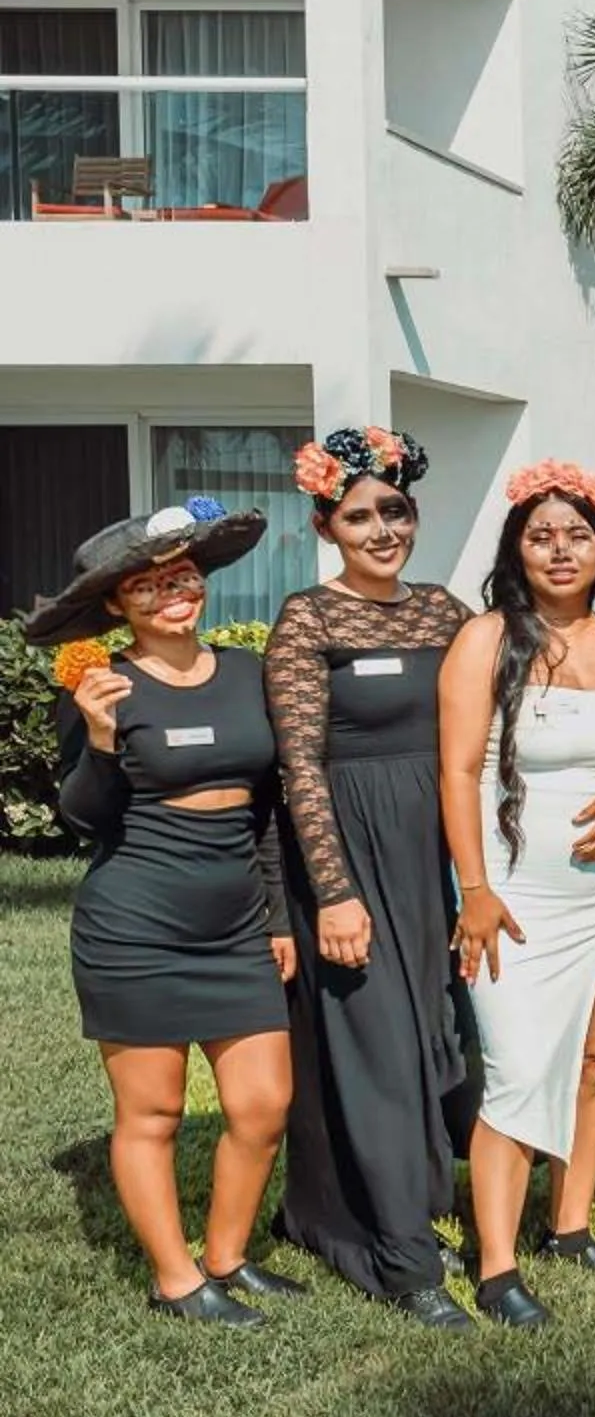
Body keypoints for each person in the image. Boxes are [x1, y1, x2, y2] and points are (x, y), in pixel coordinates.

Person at [34, 503, 299, 1325]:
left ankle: (227, 1256)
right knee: (154, 1112)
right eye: (145, 586)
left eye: (180, 576)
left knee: (263, 1105)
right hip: (135, 924)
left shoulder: (249, 674)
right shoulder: (100, 687)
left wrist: (281, 916)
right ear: (118, 605)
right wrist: (104, 736)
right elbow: (82, 819)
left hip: (237, 924)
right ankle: (177, 1279)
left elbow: (268, 811)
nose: (170, 593)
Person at [437, 463, 595, 1330]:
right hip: (514, 884)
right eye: (541, 536)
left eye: (578, 534)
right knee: (520, 1068)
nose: (561, 551)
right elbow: (456, 770)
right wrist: (476, 889)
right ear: (516, 550)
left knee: (592, 1061)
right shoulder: (487, 639)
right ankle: (496, 1267)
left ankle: (570, 1226)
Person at [266, 426, 476, 1324]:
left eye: (394, 511)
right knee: (378, 1046)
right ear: (327, 527)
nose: (381, 529)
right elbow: (299, 767)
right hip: (352, 846)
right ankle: (405, 1261)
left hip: (439, 849)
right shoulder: (307, 621)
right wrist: (335, 892)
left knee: (433, 1032)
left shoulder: (447, 612)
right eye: (359, 517)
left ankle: (364, 1202)